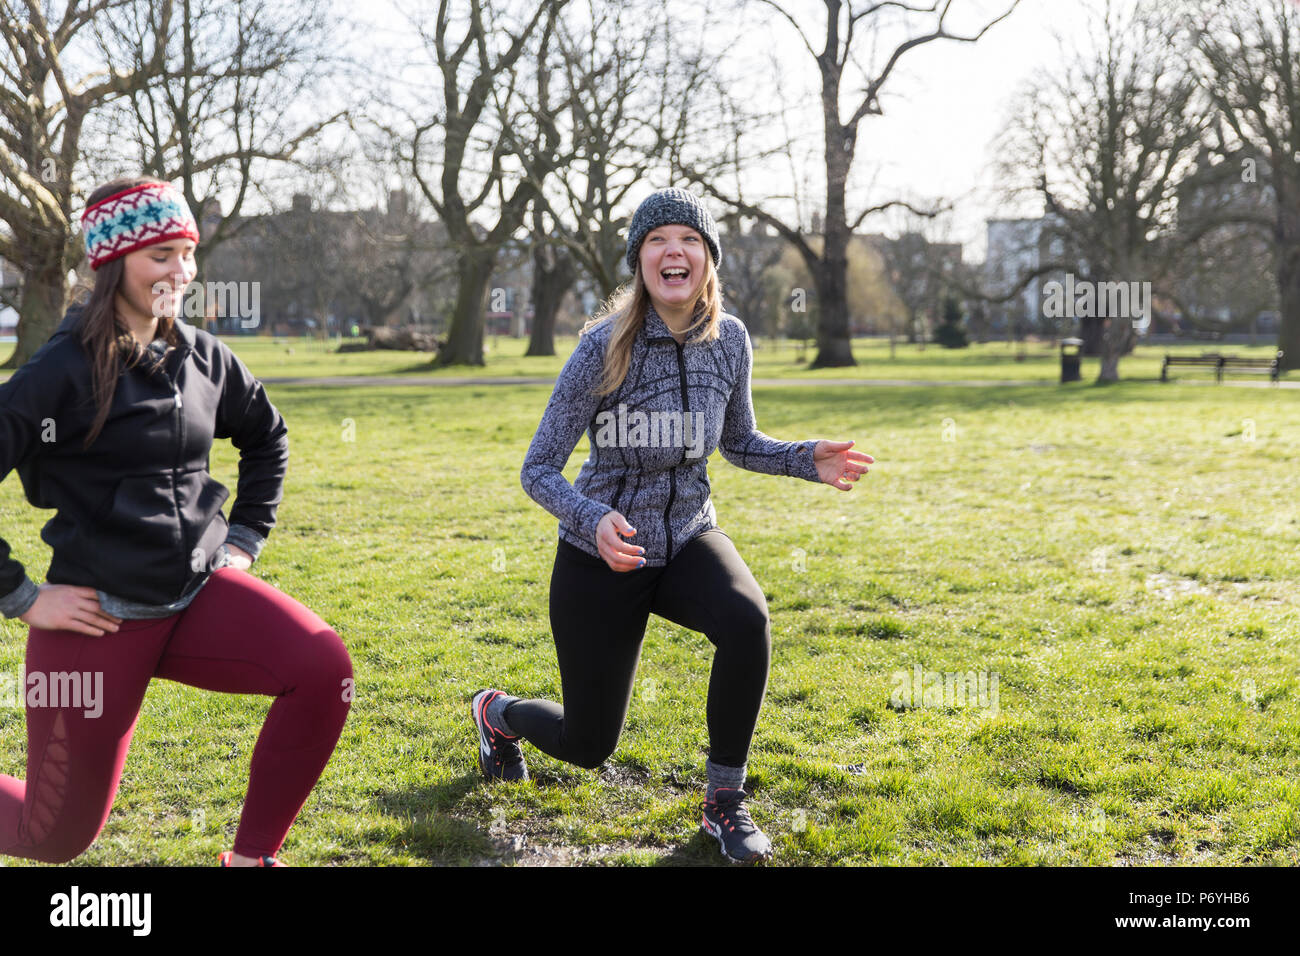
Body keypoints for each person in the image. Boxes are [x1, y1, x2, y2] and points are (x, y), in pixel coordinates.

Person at [471, 187, 872, 863]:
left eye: (688, 239)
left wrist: (808, 459)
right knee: (588, 745)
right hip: (604, 555)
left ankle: (723, 804)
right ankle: (496, 713)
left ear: (708, 258)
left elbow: (738, 443)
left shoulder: (730, 341)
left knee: (748, 621)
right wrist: (592, 518)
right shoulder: (602, 347)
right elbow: (538, 467)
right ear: (639, 260)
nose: (673, 251)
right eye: (657, 240)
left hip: (688, 537)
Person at [0, 177, 352, 867]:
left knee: (322, 667)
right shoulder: (61, 370)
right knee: (54, 836)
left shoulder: (202, 355)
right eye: (161, 255)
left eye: (186, 254)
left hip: (197, 596)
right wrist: (22, 596)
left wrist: (245, 537)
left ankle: (250, 860)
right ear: (113, 264)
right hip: (98, 621)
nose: (180, 271)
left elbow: (266, 436)